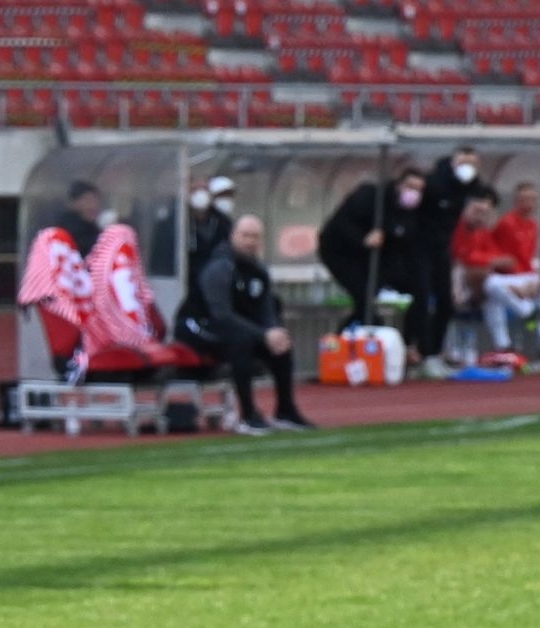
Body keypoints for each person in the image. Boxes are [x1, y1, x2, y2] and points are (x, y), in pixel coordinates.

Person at [177, 213, 314, 436]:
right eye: (245, 235)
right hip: (198, 327)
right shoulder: (220, 267)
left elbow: (266, 308)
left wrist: (273, 332)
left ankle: (285, 411)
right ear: (233, 236)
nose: (250, 241)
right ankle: (248, 415)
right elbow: (221, 315)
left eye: (255, 236)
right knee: (241, 343)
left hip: (233, 328)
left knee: (280, 344)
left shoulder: (258, 270)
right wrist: (262, 335)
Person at [450, 189, 540, 357]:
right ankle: (539, 324)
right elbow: (465, 258)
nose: (481, 217)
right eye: (477, 211)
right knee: (492, 286)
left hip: (499, 279)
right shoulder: (460, 229)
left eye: (486, 212)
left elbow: (501, 258)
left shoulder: (486, 231)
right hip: (466, 286)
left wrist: (505, 270)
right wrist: (494, 264)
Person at [318, 166, 428, 355]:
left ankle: (411, 345)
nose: (413, 193)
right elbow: (341, 223)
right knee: (365, 300)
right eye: (410, 186)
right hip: (341, 254)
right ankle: (339, 348)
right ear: (399, 184)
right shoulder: (370, 197)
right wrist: (363, 238)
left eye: (419, 189)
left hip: (373, 259)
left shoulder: (410, 214)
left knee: (419, 289)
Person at [417, 145, 485, 377]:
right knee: (422, 298)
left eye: (472, 164)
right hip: (420, 248)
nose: (468, 168)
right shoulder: (434, 184)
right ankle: (423, 353)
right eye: (464, 163)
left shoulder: (469, 188)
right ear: (453, 163)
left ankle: (434, 353)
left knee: (446, 302)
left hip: (442, 250)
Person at [185, 176, 235, 287]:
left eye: (204, 189)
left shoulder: (223, 222)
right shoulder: (176, 222)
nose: (200, 194)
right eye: (195, 190)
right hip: (187, 283)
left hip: (216, 283)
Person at [56, 181, 106, 259]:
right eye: (88, 201)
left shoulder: (92, 227)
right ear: (73, 203)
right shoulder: (68, 228)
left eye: (96, 201)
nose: (93, 206)